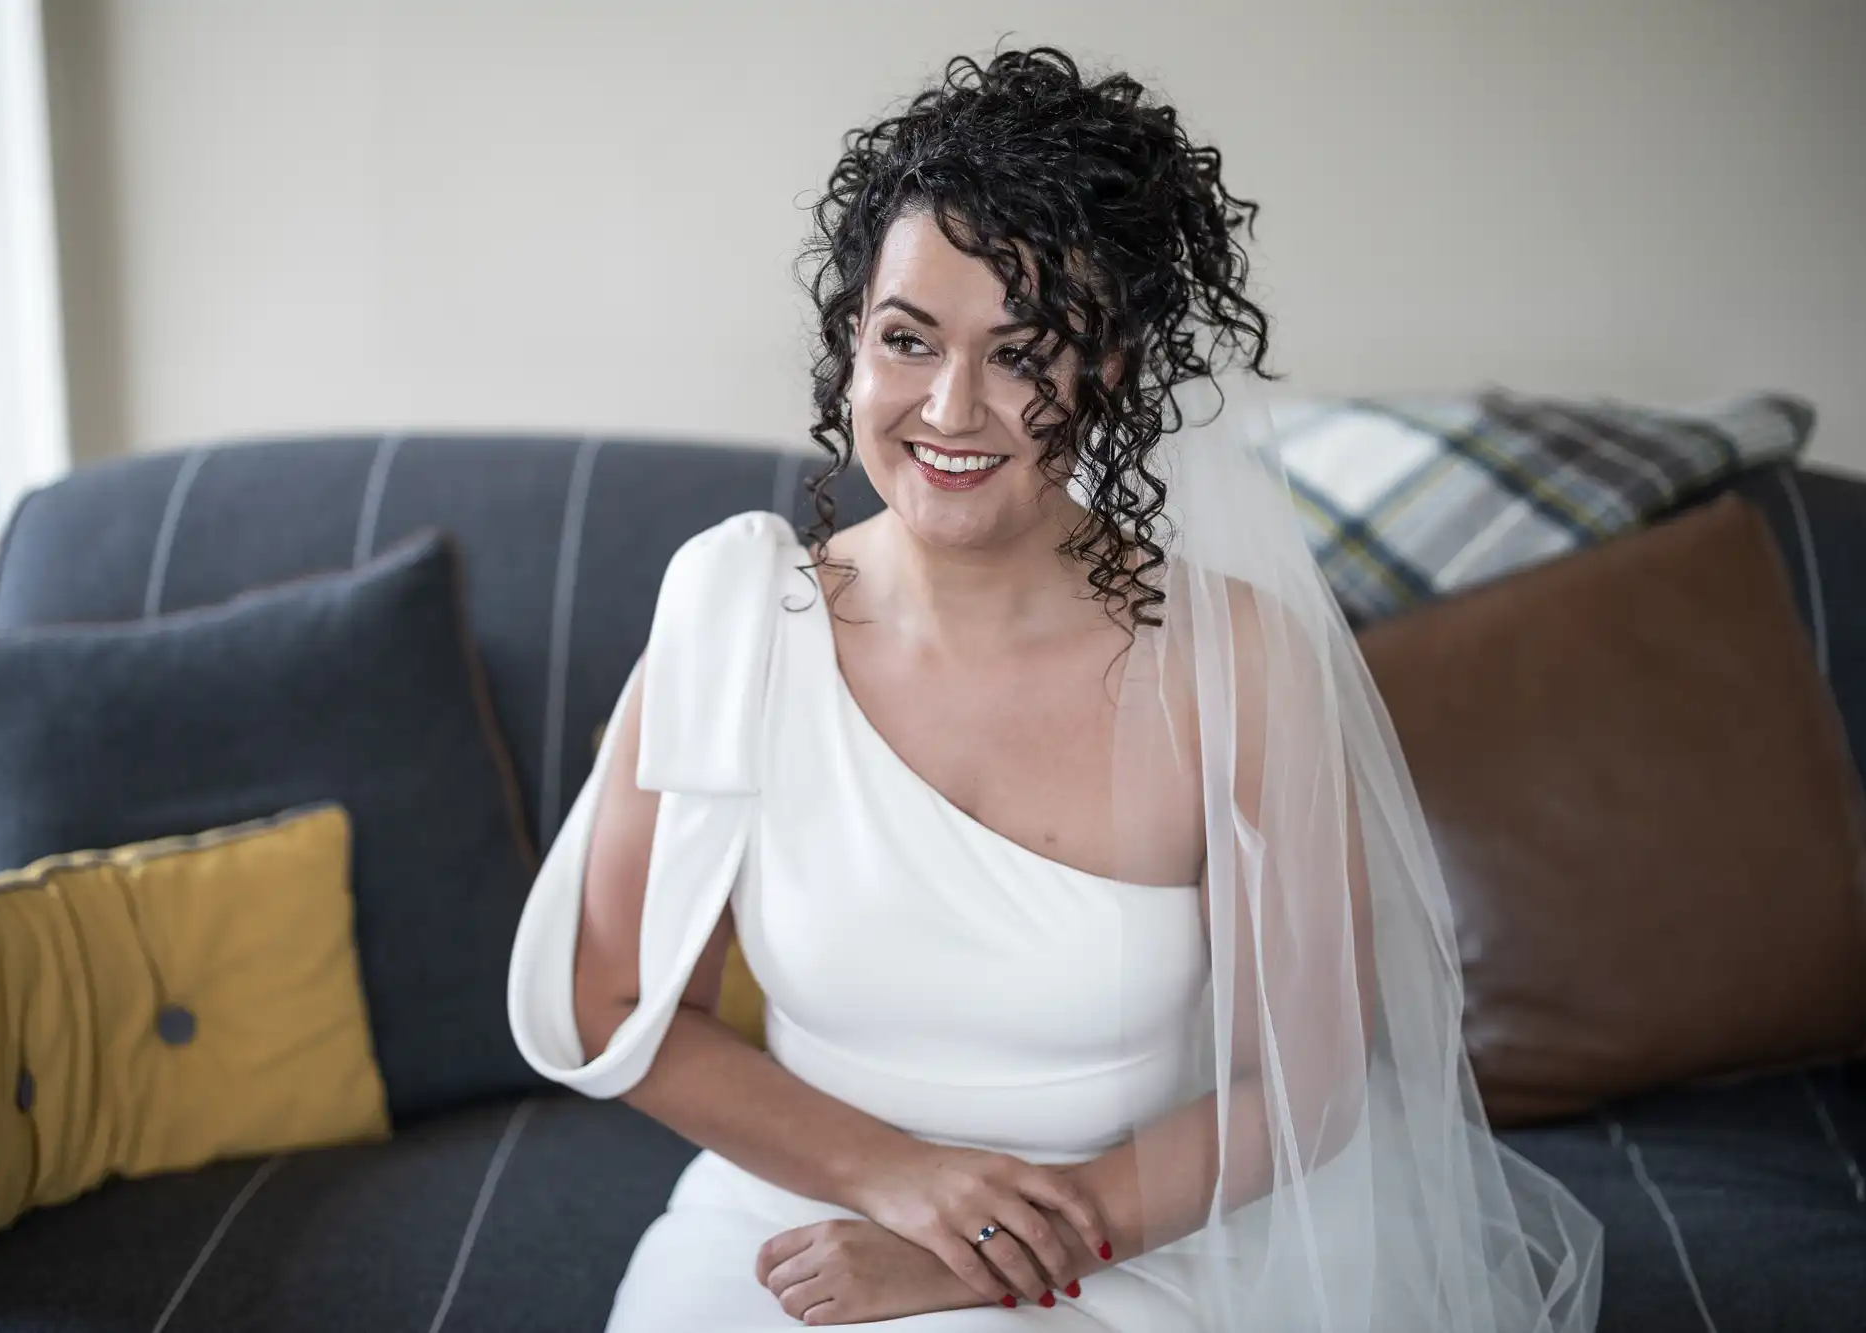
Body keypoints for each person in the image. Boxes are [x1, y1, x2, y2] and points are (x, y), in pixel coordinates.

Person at [508, 47, 1603, 1331]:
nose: (950, 408)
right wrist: (899, 1182)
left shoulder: (1232, 660)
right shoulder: (734, 613)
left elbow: (1305, 1081)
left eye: (1022, 354)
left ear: (1112, 372)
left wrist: (979, 1250)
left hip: (1143, 1237)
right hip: (791, 1219)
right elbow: (610, 998)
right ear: (849, 346)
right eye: (905, 340)